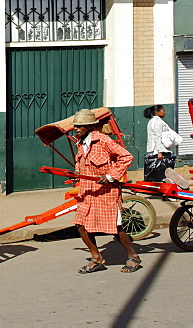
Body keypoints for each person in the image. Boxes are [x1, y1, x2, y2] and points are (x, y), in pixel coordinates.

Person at [71, 109, 142, 274]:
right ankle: (96, 258)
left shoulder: (103, 141)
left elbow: (126, 157)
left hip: (106, 192)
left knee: (114, 227)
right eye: (76, 125)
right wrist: (77, 175)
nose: (77, 128)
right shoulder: (80, 143)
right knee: (80, 224)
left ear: (90, 126)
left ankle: (133, 256)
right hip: (87, 191)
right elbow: (80, 163)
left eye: (81, 126)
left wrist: (111, 176)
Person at [143, 105, 183, 182]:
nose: (164, 112)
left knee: (155, 171)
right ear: (157, 112)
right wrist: (160, 152)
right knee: (163, 170)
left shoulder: (151, 121)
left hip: (154, 149)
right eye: (163, 111)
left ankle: (157, 181)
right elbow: (158, 137)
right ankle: (163, 182)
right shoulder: (158, 122)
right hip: (159, 150)